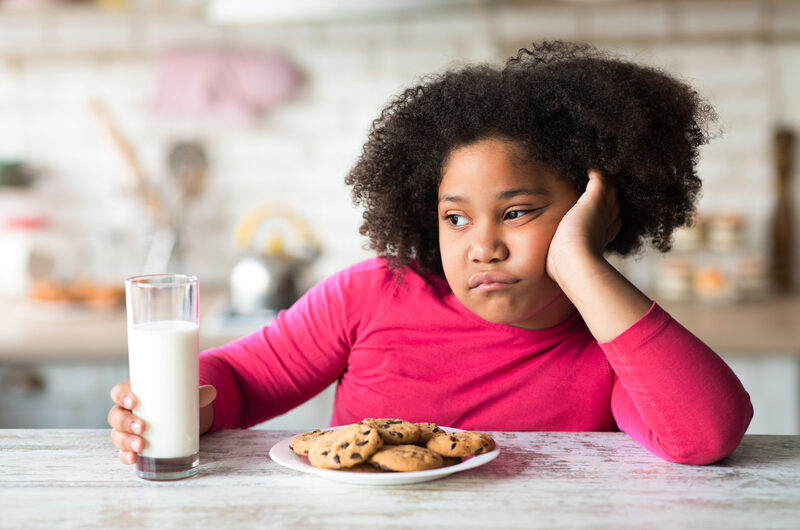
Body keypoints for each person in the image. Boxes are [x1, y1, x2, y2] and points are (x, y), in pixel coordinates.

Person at [109, 41, 753, 466]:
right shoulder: (369, 296)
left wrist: (585, 266)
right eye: (455, 218)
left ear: (596, 208)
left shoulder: (613, 342)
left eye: (518, 212)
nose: (484, 245)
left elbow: (704, 436)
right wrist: (184, 401)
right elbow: (241, 383)